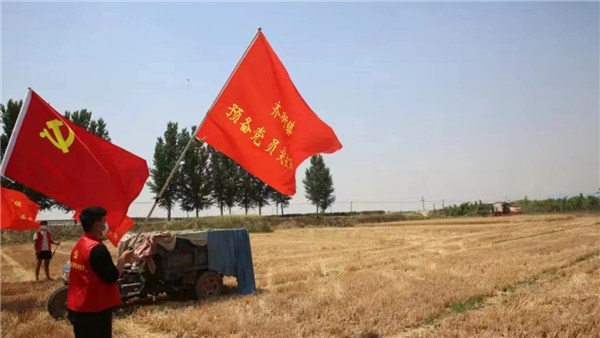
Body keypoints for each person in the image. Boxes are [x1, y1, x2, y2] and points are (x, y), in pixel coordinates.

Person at [66, 206, 134, 338]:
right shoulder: (97, 249)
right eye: (104, 220)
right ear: (97, 225)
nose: (106, 224)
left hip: (77, 307)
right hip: (94, 310)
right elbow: (112, 276)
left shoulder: (80, 244)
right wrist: (123, 259)